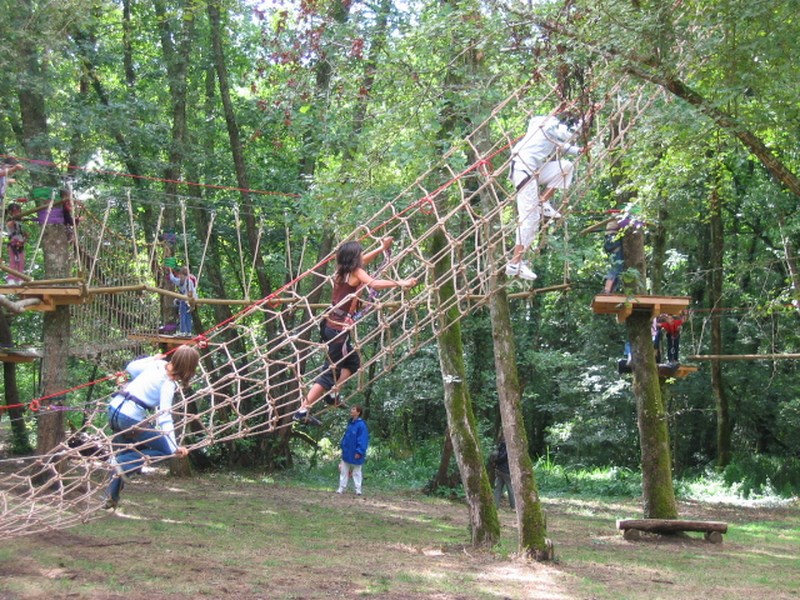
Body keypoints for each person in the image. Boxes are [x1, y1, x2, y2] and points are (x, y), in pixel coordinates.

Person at [293, 237, 418, 425]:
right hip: (338, 331)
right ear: (354, 259)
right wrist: (402, 283)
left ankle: (333, 393)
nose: (362, 256)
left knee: (353, 363)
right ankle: (303, 409)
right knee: (331, 371)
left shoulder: (341, 272)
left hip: (330, 327)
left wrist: (381, 248)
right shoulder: (356, 272)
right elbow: (374, 284)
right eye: (359, 253)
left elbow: (364, 260)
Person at [103, 345, 200, 509]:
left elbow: (130, 368)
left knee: (127, 452)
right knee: (166, 451)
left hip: (113, 410)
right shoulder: (168, 384)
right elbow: (164, 416)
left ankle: (111, 497)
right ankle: (121, 463)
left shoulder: (156, 365)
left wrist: (152, 359)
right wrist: (174, 447)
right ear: (189, 368)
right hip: (129, 419)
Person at [506, 103, 590, 281]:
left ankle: (543, 200)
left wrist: (578, 151)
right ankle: (515, 263)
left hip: (533, 170)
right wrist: (588, 114)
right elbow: (568, 134)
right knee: (530, 218)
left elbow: (561, 144)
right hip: (524, 170)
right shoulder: (548, 123)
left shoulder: (547, 127)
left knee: (566, 166)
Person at [337, 404, 369, 495]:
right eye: (352, 409)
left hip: (355, 452)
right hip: (347, 451)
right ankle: (341, 488)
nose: (351, 411)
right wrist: (343, 446)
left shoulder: (361, 425)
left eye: (354, 409)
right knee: (344, 470)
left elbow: (363, 439)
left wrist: (359, 451)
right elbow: (346, 437)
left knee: (357, 471)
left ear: (358, 412)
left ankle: (358, 489)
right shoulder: (350, 424)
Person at [167, 265, 197, 336]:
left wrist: (193, 303)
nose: (181, 277)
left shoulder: (189, 282)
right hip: (184, 299)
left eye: (182, 276)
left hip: (189, 299)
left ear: (185, 276)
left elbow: (193, 292)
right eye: (180, 276)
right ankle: (187, 331)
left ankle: (184, 331)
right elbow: (172, 279)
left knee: (185, 315)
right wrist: (170, 270)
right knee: (184, 314)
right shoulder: (179, 281)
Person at [5, 203, 28, 284]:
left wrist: (25, 237)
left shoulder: (20, 223)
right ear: (11, 212)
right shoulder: (9, 221)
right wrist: (14, 218)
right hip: (13, 244)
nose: (17, 213)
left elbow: (24, 235)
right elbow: (10, 225)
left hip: (20, 244)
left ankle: (20, 279)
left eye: (18, 211)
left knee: (21, 262)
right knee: (13, 261)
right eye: (15, 211)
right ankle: (11, 279)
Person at [492, 440, 515, 510]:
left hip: (498, 470)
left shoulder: (500, 445)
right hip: (506, 471)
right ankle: (514, 506)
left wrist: (496, 462)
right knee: (510, 489)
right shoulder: (509, 446)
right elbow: (504, 457)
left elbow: (497, 456)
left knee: (498, 488)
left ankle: (495, 506)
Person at [603, 218, 624, 293]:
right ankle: (607, 289)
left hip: (611, 240)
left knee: (619, 269)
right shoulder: (621, 216)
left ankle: (610, 290)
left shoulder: (613, 219)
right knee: (617, 267)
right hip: (614, 239)